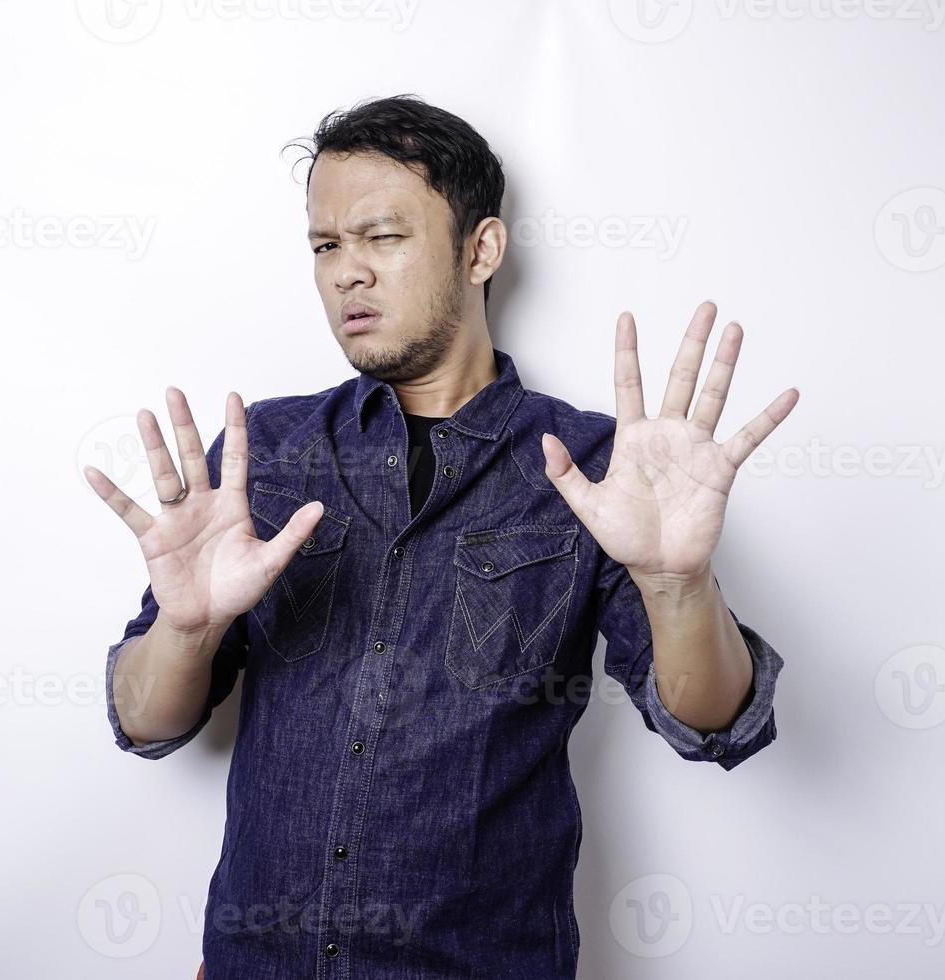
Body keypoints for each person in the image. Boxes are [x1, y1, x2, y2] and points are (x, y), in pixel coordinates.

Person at [83, 94, 797, 980]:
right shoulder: (260, 456)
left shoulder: (594, 469)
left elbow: (711, 719)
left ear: (480, 250)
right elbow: (145, 720)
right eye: (325, 246)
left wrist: (677, 582)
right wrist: (184, 630)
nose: (346, 273)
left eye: (381, 237)